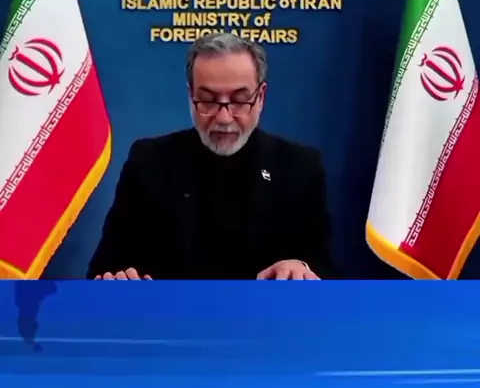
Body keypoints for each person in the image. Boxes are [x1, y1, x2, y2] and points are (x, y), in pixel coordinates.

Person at [87, 33, 337, 280]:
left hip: (266, 308)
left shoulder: (299, 167)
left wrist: (301, 267)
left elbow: (326, 270)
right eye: (207, 101)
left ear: (260, 97)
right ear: (191, 96)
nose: (224, 118)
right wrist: (117, 278)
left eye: (239, 101)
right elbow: (104, 267)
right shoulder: (149, 162)